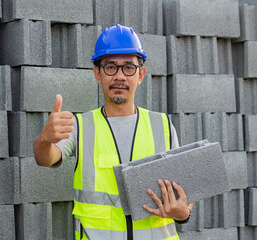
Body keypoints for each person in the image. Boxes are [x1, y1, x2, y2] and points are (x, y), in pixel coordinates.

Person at [33, 24, 193, 240]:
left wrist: (182, 214)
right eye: (110, 67)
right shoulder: (80, 126)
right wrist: (44, 140)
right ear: (97, 74)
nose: (119, 76)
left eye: (128, 67)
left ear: (140, 74)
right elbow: (45, 158)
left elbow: (181, 198)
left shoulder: (163, 125)